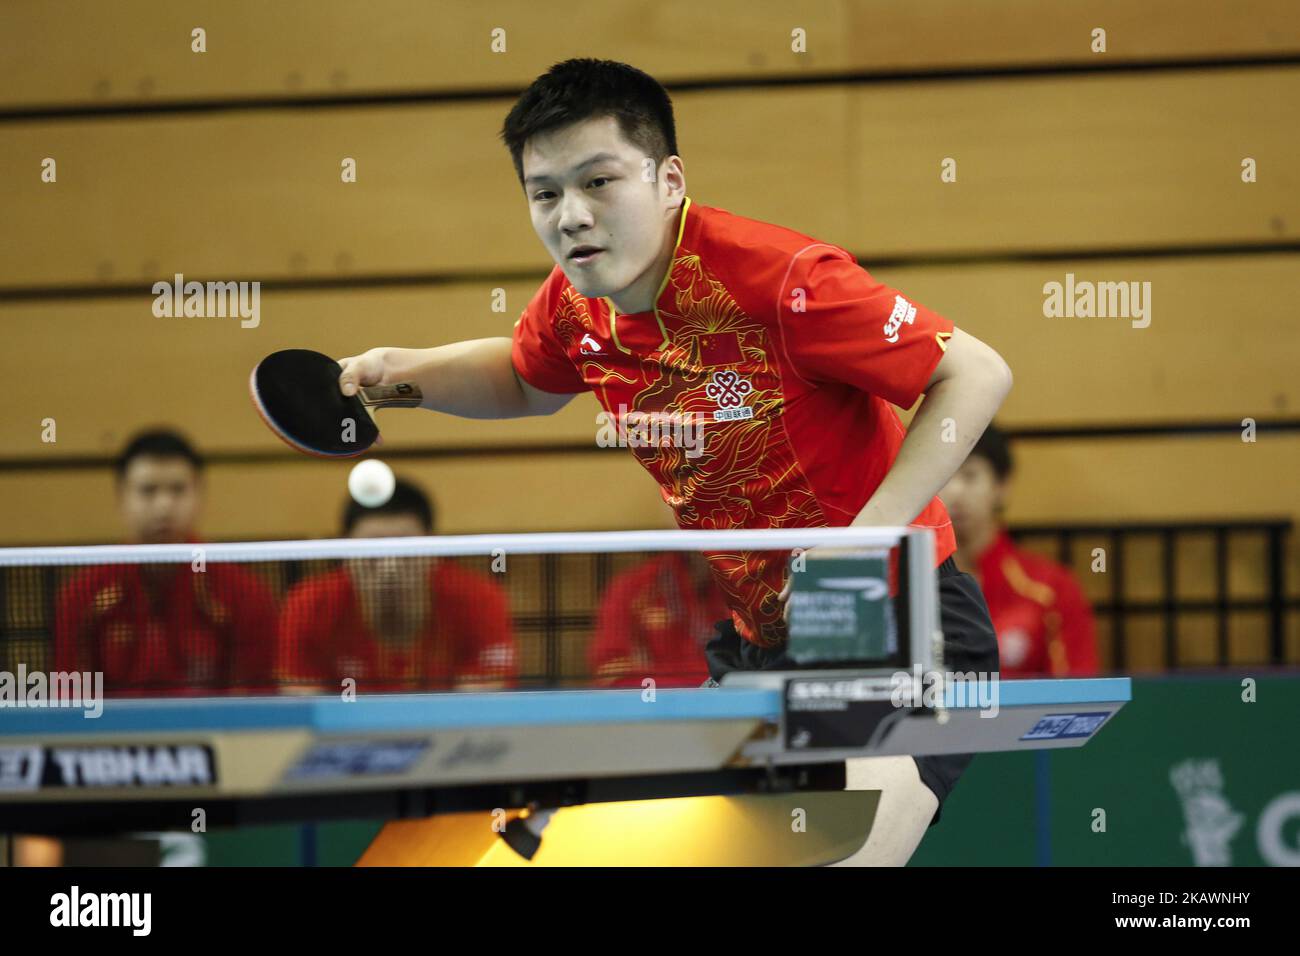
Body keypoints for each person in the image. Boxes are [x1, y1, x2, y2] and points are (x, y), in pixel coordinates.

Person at [334, 59, 1012, 864]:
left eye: (599, 181)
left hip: (899, 619)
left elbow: (974, 373)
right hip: (764, 641)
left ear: (667, 179)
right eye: (545, 194)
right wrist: (398, 376)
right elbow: (523, 377)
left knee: (838, 854)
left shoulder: (782, 279)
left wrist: (866, 539)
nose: (572, 216)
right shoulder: (575, 304)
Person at [53, 429, 277, 696]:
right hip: (110, 735)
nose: (164, 506)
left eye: (177, 490)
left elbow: (255, 701)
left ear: (199, 495)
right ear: (121, 496)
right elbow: (68, 699)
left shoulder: (244, 594)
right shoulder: (82, 595)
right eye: (148, 491)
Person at [276, 478, 518, 692]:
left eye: (405, 551)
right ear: (344, 551)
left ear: (434, 548)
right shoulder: (309, 604)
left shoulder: (478, 599)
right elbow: (300, 703)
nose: (389, 568)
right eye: (373, 552)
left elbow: (482, 703)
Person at [939, 424, 1099, 676]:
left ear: (1002, 487)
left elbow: (1077, 694)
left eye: (970, 475)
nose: (955, 492)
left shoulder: (1052, 589)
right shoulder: (904, 588)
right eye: (943, 476)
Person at [589, 549, 728, 688]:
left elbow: (744, 672)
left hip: (729, 705)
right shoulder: (632, 588)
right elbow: (609, 674)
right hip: (652, 706)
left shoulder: (744, 591)